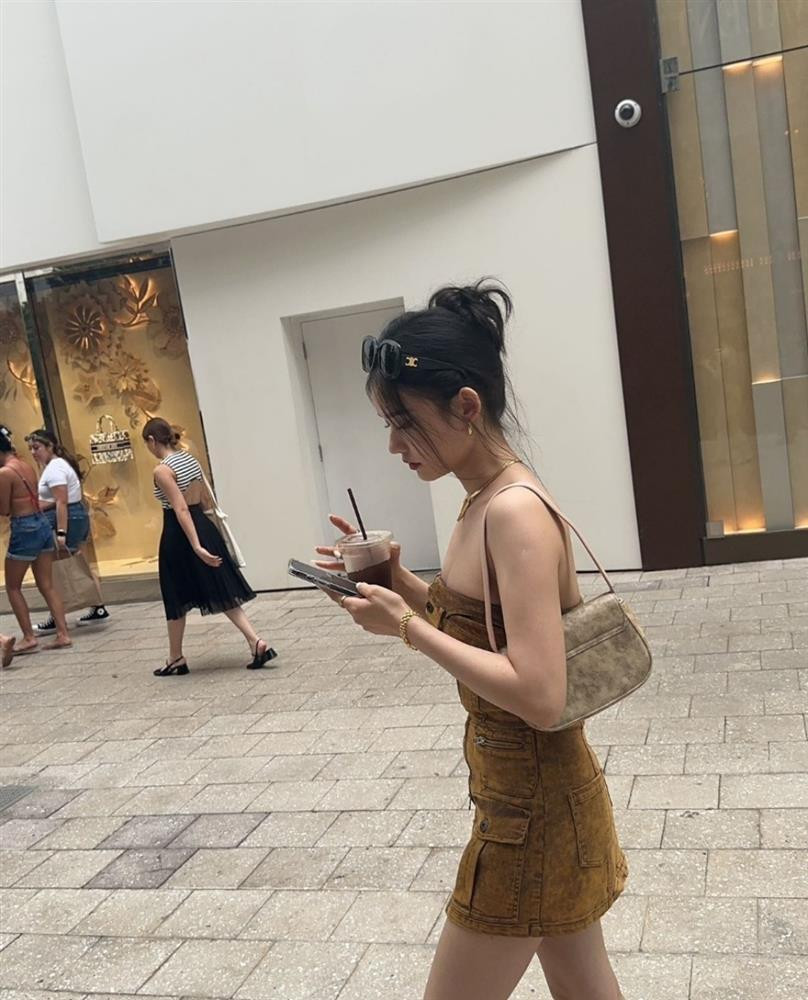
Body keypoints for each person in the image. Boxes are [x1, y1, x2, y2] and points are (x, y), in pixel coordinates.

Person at [316, 282, 626, 1000]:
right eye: (387, 424)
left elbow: (539, 693)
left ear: (465, 405)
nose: (393, 445)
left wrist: (406, 627)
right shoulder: (482, 499)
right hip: (531, 797)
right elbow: (482, 624)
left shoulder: (511, 513)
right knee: (584, 986)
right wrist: (395, 579)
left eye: (404, 423)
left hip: (530, 811)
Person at [141, 417, 276, 675]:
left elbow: (180, 508)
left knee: (175, 593)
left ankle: (175, 657)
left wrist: (195, 546)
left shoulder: (162, 470)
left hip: (179, 533)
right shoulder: (189, 459)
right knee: (220, 587)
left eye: (147, 444)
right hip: (203, 524)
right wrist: (203, 537)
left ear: (152, 440)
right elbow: (204, 498)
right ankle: (255, 640)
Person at [25, 429, 111, 634]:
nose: (33, 453)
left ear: (50, 447)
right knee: (80, 563)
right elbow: (58, 499)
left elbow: (61, 501)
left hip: (67, 518)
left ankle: (58, 615)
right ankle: (97, 607)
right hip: (75, 515)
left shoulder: (54, 468)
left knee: (54, 568)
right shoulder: (59, 465)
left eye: (36, 448)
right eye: (30, 449)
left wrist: (61, 532)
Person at [0, 424, 71, 652]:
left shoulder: (5, 473)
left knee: (13, 586)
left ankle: (29, 637)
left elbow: (4, 509)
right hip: (41, 523)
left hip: (24, 527)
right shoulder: (25, 466)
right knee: (46, 584)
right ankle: (63, 633)